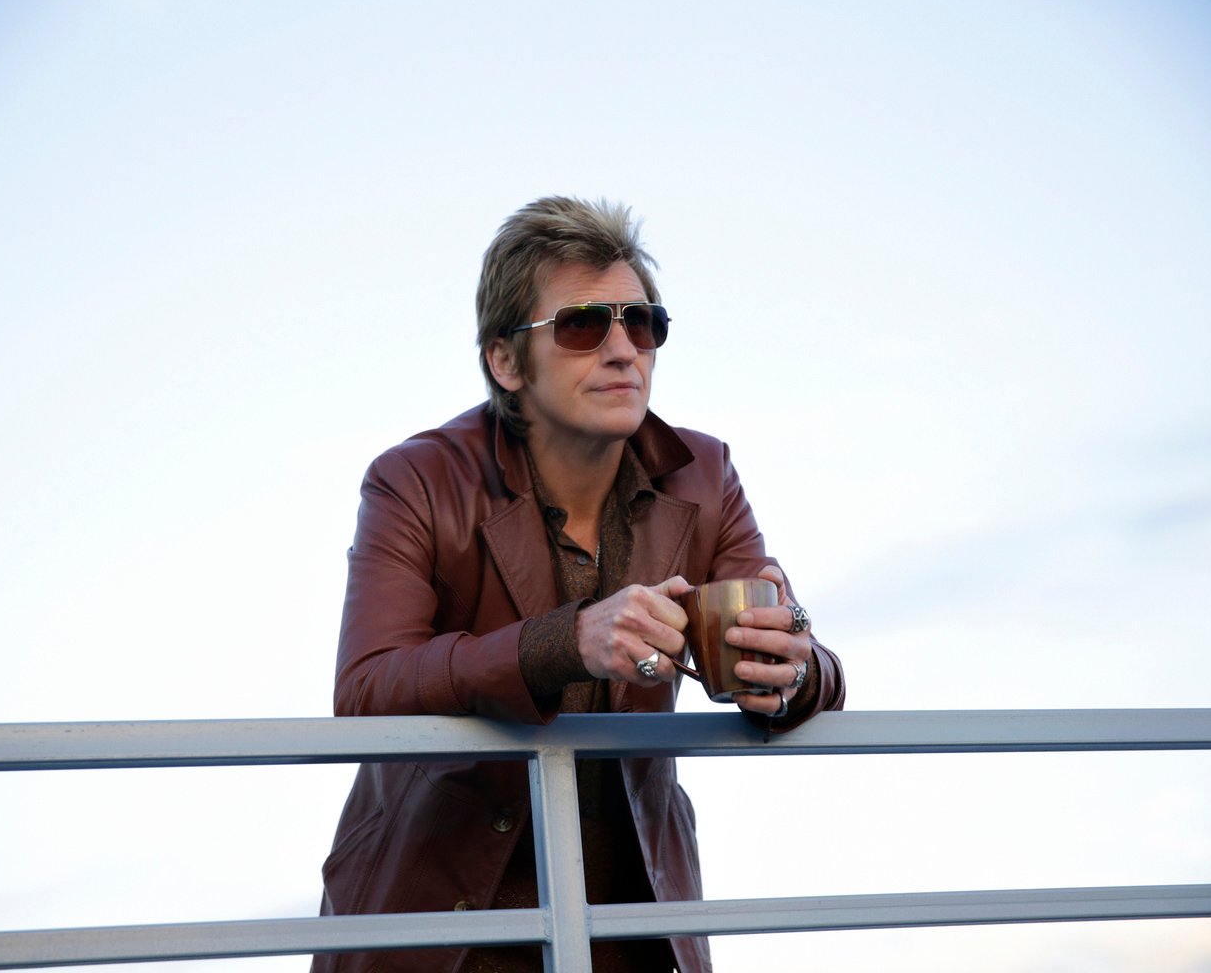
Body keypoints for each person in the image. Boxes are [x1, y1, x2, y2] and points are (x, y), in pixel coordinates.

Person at [314, 196, 846, 973]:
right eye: (582, 325)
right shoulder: (417, 479)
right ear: (506, 361)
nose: (623, 350)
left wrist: (790, 669)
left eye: (643, 324)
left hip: (631, 933)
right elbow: (366, 687)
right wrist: (563, 642)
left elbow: (805, 657)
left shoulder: (704, 474)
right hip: (441, 935)